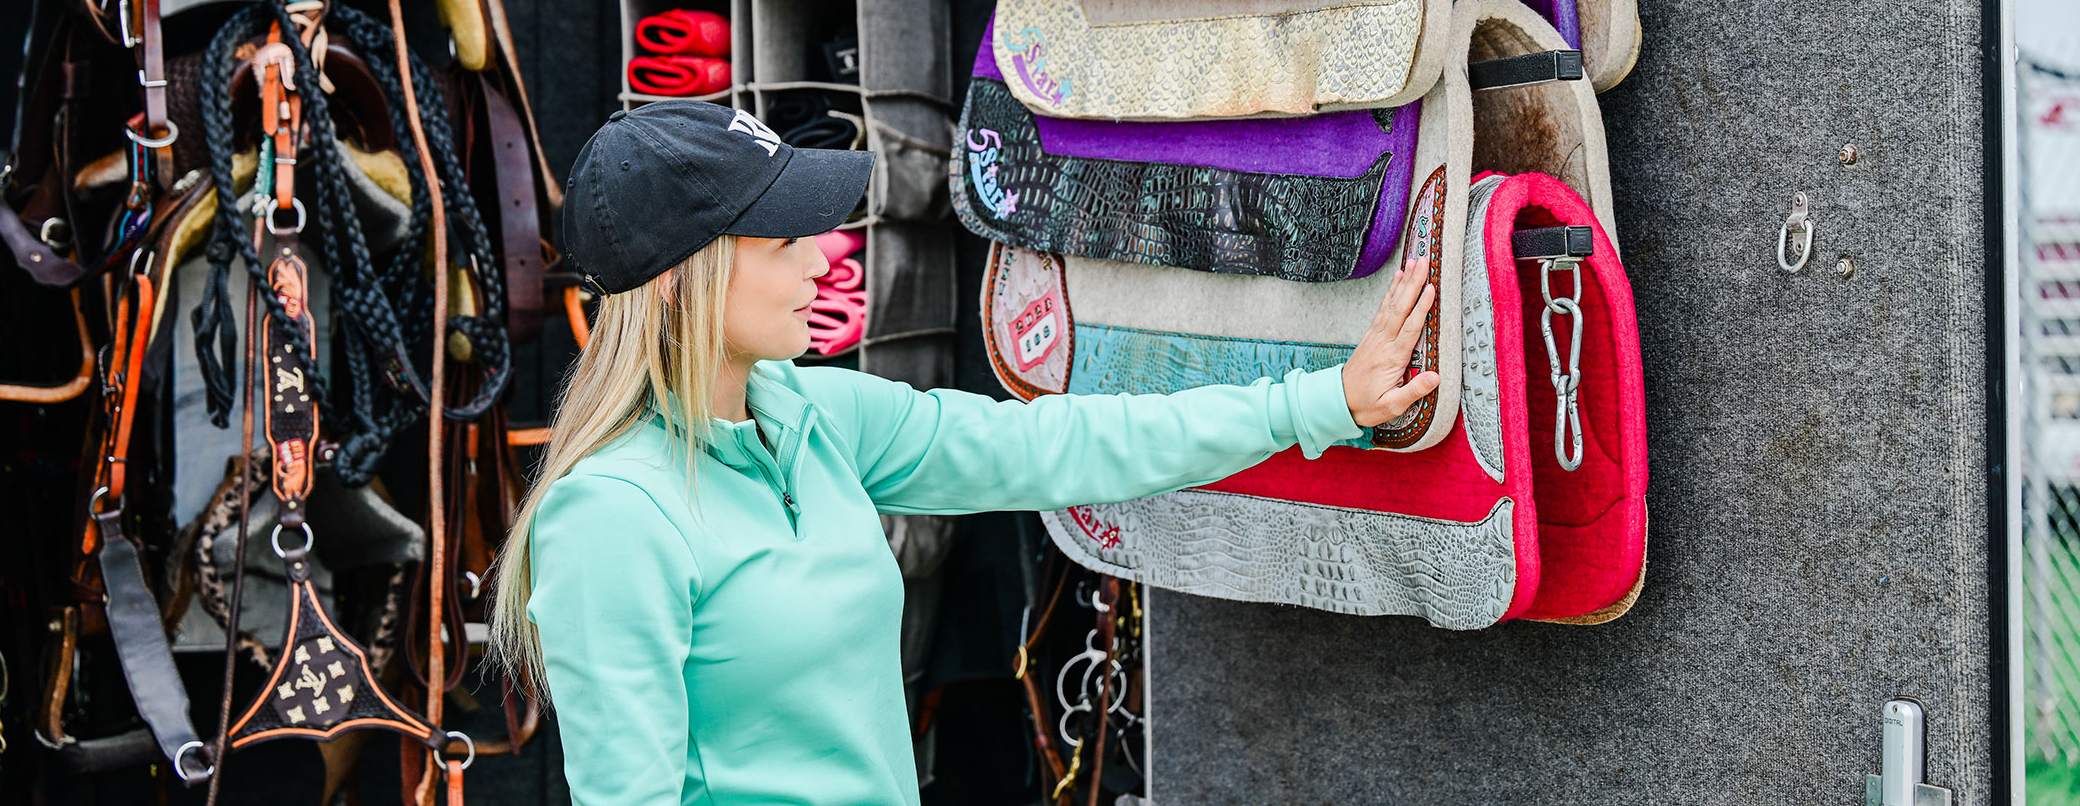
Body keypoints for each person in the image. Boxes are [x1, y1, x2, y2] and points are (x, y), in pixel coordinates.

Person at [489, 101, 1439, 806]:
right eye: (782, 239)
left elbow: (1054, 445)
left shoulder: (807, 416)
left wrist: (1322, 403)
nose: (823, 259)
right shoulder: (610, 519)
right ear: (676, 287)